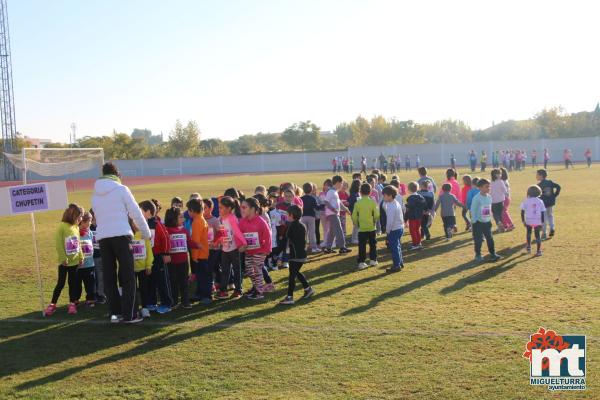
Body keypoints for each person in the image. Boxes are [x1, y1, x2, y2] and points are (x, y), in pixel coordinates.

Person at [92, 162, 151, 324]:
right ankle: (130, 314)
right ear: (117, 174)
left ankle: (115, 313)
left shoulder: (95, 193)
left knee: (109, 277)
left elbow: (97, 216)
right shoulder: (122, 189)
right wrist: (146, 233)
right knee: (128, 276)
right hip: (122, 236)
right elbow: (136, 213)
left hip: (103, 238)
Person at [45, 204, 84, 316]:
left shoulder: (76, 227)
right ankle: (52, 304)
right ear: (73, 215)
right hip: (64, 263)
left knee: (73, 283)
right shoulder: (62, 226)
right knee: (61, 283)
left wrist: (81, 256)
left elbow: (78, 243)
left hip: (75, 262)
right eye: (79, 217)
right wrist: (63, 258)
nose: (80, 219)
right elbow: (58, 243)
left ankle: (72, 304)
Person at [139, 199, 173, 314]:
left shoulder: (157, 224)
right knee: (149, 281)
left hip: (158, 256)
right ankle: (151, 302)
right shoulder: (141, 225)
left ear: (148, 212)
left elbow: (166, 238)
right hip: (147, 258)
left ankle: (167, 303)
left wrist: (166, 253)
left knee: (162, 280)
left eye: (141, 211)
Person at [279, 205, 315, 305]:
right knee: (296, 272)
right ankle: (308, 289)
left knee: (292, 276)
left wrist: (280, 255)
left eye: (287, 214)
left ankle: (290, 297)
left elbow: (287, 240)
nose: (286, 216)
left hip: (294, 256)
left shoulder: (291, 226)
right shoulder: (302, 225)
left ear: (291, 215)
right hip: (302, 254)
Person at [239, 197, 272, 300]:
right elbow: (239, 235)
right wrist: (241, 245)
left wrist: (267, 250)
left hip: (260, 251)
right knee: (249, 270)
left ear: (253, 209)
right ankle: (256, 287)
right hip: (249, 251)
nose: (242, 209)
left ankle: (259, 291)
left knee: (257, 269)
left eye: (244, 207)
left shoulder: (261, 222)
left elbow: (268, 236)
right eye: (241, 207)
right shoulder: (242, 222)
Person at [164, 206, 196, 309]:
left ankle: (185, 301)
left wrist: (199, 245)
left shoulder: (184, 230)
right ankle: (173, 301)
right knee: (173, 282)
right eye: (181, 217)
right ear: (173, 218)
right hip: (171, 262)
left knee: (184, 282)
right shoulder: (166, 230)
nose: (184, 219)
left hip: (183, 261)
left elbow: (189, 242)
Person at [215, 196, 246, 299]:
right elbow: (221, 233)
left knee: (237, 270)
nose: (219, 210)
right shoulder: (220, 218)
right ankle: (223, 291)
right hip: (225, 249)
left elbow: (237, 231)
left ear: (228, 208)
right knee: (225, 270)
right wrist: (216, 242)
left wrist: (243, 243)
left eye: (221, 208)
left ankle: (238, 290)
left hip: (234, 249)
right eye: (219, 207)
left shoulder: (232, 218)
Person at [187, 198, 212, 304]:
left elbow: (196, 242)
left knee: (203, 277)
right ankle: (200, 293)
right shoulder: (202, 219)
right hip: (204, 253)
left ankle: (206, 296)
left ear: (192, 210)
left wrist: (195, 257)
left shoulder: (196, 222)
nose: (188, 212)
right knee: (201, 276)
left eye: (188, 210)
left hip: (200, 255)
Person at [470, 179, 501, 262]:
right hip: (478, 223)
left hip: (487, 222)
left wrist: (490, 219)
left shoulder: (489, 197)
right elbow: (473, 210)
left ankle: (493, 254)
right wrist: (474, 222)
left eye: (489, 186)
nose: (488, 188)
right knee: (478, 239)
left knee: (490, 238)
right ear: (480, 188)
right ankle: (478, 254)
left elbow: (489, 209)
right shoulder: (476, 198)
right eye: (486, 187)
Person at [352, 183, 380, 270]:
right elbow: (376, 214)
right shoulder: (372, 202)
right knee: (373, 245)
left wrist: (356, 223)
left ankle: (361, 262)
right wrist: (374, 221)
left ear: (360, 192)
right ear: (370, 192)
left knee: (362, 245)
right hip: (371, 227)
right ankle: (373, 260)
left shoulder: (358, 203)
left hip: (362, 228)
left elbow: (354, 216)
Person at [130, 218, 154, 318]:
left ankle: (144, 308)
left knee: (144, 289)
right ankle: (134, 308)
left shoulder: (144, 236)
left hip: (143, 268)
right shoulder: (128, 236)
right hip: (131, 269)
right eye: (134, 222)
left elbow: (149, 252)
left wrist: (148, 265)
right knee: (132, 289)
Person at [323, 175, 352, 254]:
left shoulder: (334, 191)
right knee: (339, 230)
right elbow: (326, 201)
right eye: (341, 183)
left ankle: (328, 248)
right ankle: (342, 247)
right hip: (332, 214)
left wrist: (346, 209)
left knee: (332, 231)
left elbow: (339, 202)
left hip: (335, 213)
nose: (342, 185)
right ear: (338, 183)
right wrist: (333, 209)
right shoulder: (331, 191)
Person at [382, 185, 405, 272]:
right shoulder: (396, 203)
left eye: (384, 195)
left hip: (394, 229)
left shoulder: (391, 207)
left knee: (394, 248)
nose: (383, 197)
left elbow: (390, 221)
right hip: (400, 228)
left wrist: (388, 231)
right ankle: (400, 262)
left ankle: (396, 265)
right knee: (398, 246)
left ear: (390, 195)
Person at [75, 211, 96, 307]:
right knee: (77, 283)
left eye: (91, 221)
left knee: (90, 282)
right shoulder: (76, 232)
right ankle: (75, 299)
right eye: (88, 221)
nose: (90, 223)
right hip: (78, 265)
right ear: (82, 222)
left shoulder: (90, 233)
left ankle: (90, 299)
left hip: (89, 264)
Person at [202, 198, 222, 295]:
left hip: (214, 249)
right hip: (205, 250)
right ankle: (213, 284)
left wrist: (215, 242)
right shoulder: (200, 220)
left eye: (204, 207)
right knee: (210, 268)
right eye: (201, 207)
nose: (202, 210)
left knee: (213, 267)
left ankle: (214, 285)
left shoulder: (215, 220)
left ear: (210, 208)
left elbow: (220, 233)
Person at [521, 185, 546, 256]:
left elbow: (522, 212)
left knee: (528, 233)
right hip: (537, 221)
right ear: (539, 193)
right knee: (537, 236)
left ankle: (528, 248)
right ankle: (539, 251)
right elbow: (542, 212)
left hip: (528, 220)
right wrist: (542, 222)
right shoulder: (540, 201)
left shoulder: (525, 201)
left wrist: (523, 221)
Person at [536, 169, 561, 240]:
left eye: (537, 175)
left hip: (543, 204)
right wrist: (554, 195)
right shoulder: (549, 182)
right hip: (550, 202)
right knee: (550, 215)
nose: (536, 176)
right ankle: (552, 228)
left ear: (541, 176)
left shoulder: (539, 185)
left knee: (544, 218)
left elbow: (536, 195)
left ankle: (544, 233)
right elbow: (558, 187)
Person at [88, 209, 106, 304]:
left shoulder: (103, 226)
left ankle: (101, 294)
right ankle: (93, 294)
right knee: (93, 277)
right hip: (90, 256)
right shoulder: (88, 227)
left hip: (100, 255)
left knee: (100, 275)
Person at [405, 182, 426, 250]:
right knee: (417, 230)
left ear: (409, 189)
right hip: (419, 217)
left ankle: (415, 244)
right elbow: (424, 205)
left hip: (412, 217)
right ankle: (418, 242)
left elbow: (409, 208)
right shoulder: (421, 197)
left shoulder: (411, 198)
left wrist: (405, 218)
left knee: (413, 231)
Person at [300, 182, 320, 253]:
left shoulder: (301, 198)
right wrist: (323, 205)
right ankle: (314, 248)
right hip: (311, 217)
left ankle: (303, 247)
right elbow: (316, 208)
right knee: (312, 233)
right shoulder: (312, 198)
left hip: (303, 217)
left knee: (303, 233)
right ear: (311, 190)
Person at [347, 179, 361, 245]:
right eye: (360, 185)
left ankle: (356, 238)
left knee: (357, 225)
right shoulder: (354, 194)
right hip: (354, 212)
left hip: (357, 212)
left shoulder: (357, 193)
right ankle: (354, 239)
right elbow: (350, 203)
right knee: (356, 225)